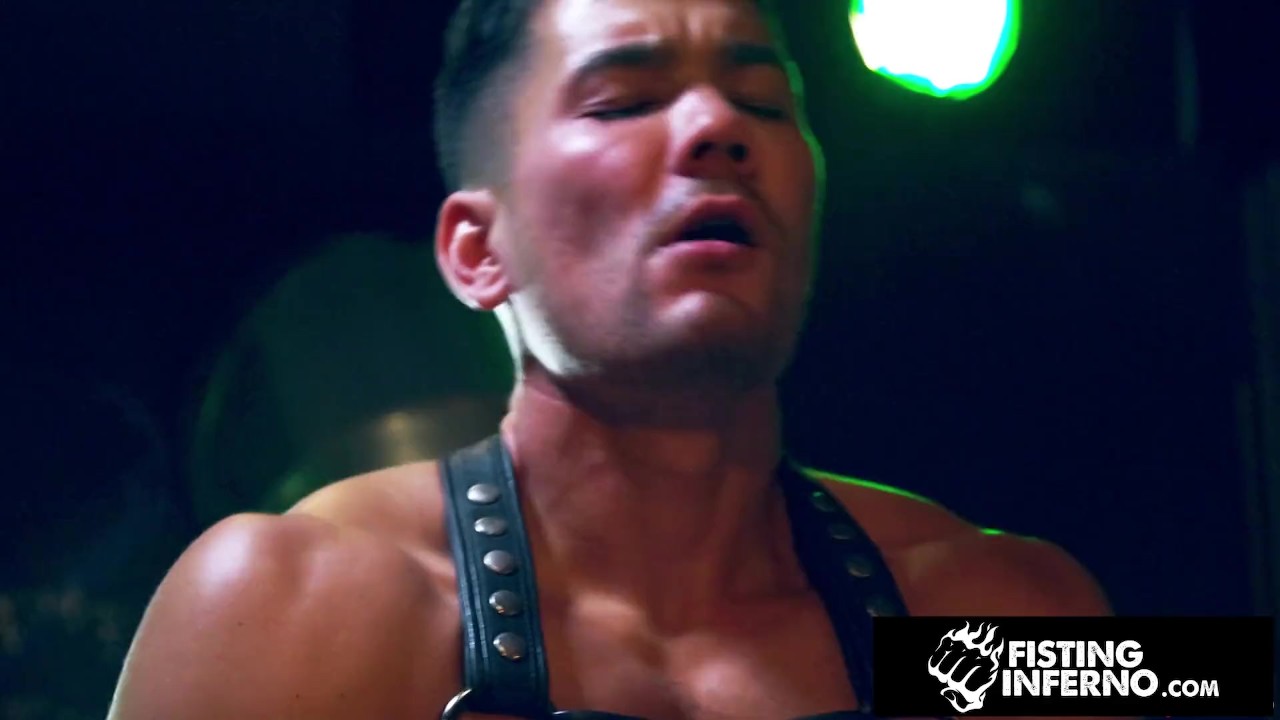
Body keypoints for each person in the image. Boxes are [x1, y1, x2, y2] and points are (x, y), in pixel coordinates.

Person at [107, 0, 1113, 717]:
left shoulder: (1019, 612)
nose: (717, 126)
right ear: (477, 250)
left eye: (764, 103)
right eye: (623, 101)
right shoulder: (280, 604)